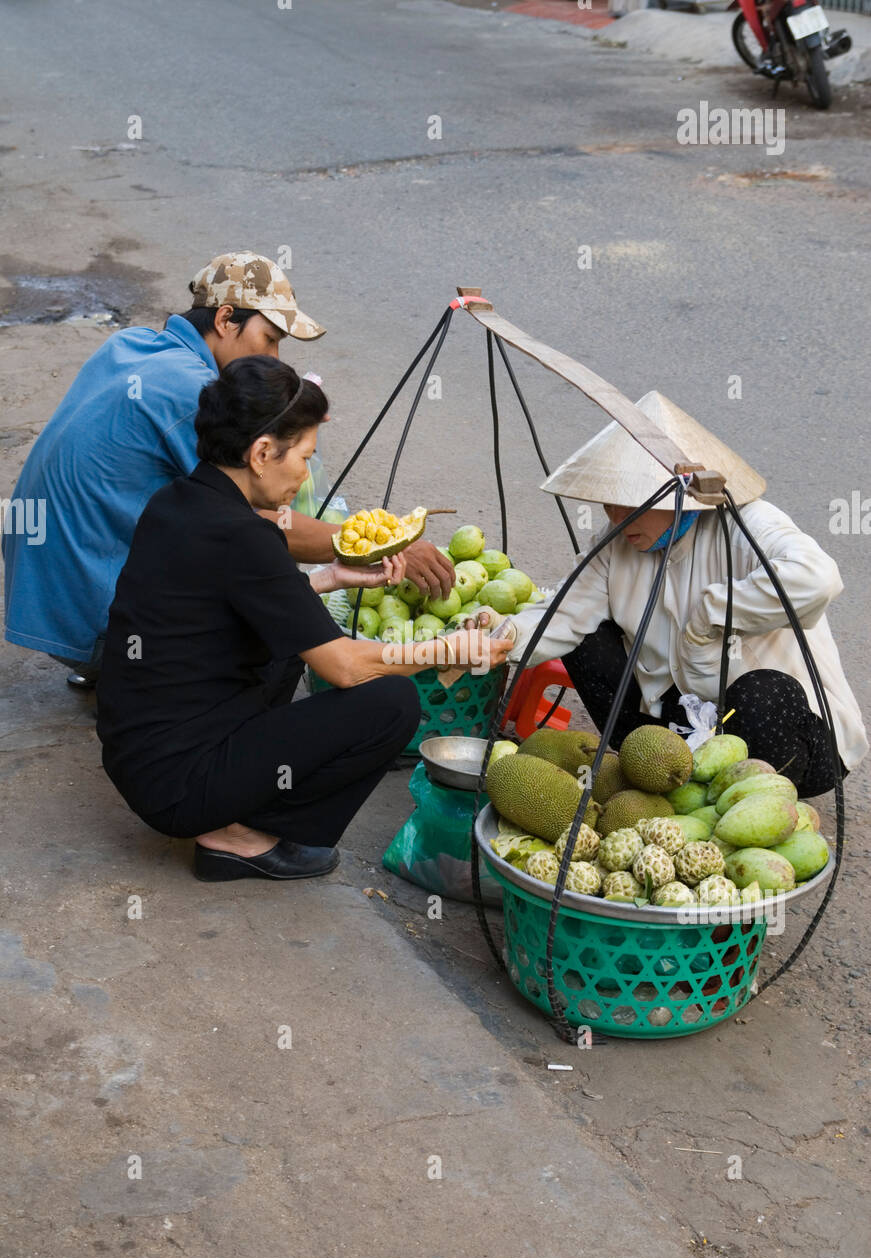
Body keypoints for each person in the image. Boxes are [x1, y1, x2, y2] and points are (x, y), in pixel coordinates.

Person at [96, 357, 511, 882]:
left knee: (292, 639)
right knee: (389, 702)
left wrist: (326, 579)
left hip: (141, 759)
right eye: (305, 457)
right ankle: (239, 838)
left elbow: (216, 607)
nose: (307, 474)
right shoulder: (246, 537)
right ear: (263, 452)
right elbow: (342, 669)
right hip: (180, 785)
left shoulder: (178, 501)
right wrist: (450, 652)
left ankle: (233, 814)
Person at [3, 251, 454, 689]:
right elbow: (246, 523)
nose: (274, 358)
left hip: (46, 604)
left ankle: (105, 664)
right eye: (270, 339)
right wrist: (385, 543)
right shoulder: (194, 394)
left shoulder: (130, 345)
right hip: (100, 629)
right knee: (274, 627)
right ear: (224, 321)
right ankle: (133, 675)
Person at [472, 391, 867, 798]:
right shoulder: (615, 544)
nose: (617, 519)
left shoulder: (747, 524)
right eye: (611, 504)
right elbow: (562, 614)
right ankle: (656, 773)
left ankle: (751, 797)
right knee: (584, 637)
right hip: (681, 729)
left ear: (678, 493)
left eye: (632, 506)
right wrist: (496, 636)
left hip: (788, 735)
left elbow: (818, 579)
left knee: (763, 694)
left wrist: (712, 613)